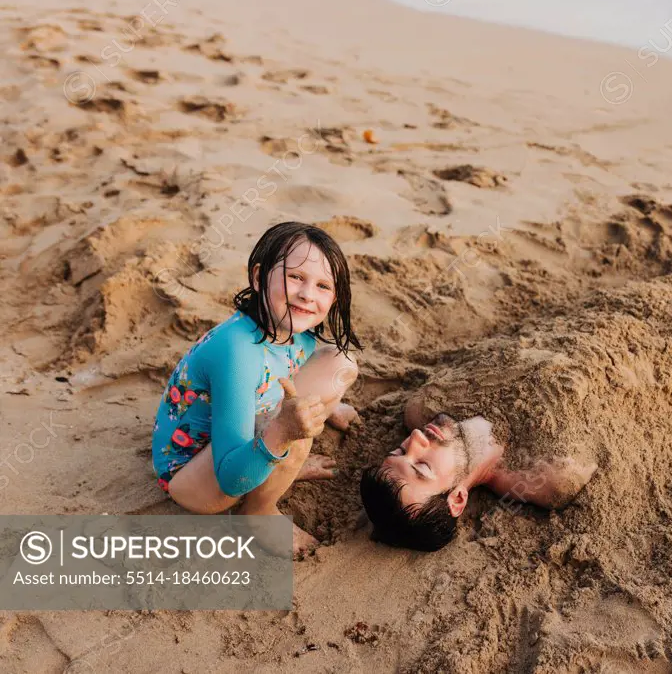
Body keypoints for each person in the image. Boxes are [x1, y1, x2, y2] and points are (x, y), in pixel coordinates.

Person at [150, 221, 360, 556]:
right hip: (191, 476)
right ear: (259, 277)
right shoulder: (237, 350)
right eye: (295, 277)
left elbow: (289, 370)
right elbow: (231, 480)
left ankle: (274, 464)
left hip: (244, 427)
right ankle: (258, 511)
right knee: (296, 431)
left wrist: (325, 406)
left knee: (340, 365)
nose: (308, 295)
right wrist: (282, 430)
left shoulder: (298, 332)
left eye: (323, 286)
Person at [359, 398, 598, 552]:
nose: (416, 438)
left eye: (399, 450)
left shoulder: (422, 405)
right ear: (457, 499)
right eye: (422, 467)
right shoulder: (546, 474)